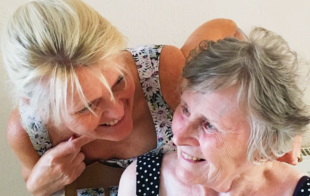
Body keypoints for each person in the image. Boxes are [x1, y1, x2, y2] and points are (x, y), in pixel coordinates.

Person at [1, 0, 247, 195]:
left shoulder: (162, 72)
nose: (117, 112)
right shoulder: (29, 132)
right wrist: (37, 188)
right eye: (87, 106)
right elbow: (39, 185)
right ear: (44, 110)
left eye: (118, 80)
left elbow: (227, 28)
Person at [118, 27, 310, 196]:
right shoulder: (140, 181)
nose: (178, 138)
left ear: (264, 147)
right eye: (185, 109)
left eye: (209, 125)